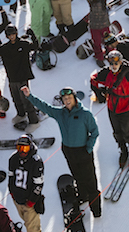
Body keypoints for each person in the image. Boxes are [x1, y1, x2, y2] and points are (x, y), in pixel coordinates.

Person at [23, 86, 101, 217]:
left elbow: (94, 132)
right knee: (76, 176)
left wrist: (88, 148)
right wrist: (29, 96)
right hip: (69, 151)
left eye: (69, 98)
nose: (67, 101)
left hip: (83, 151)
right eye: (65, 99)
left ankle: (96, 210)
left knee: (90, 180)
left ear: (75, 98)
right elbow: (44, 107)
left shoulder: (85, 114)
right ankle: (83, 196)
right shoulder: (60, 113)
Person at [90, 51, 129, 168]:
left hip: (125, 109)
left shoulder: (128, 74)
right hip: (111, 108)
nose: (114, 66)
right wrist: (99, 93)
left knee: (127, 132)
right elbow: (93, 79)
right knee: (117, 132)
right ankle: (123, 150)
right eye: (111, 63)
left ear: (121, 62)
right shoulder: (106, 73)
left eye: (116, 63)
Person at [7, 135, 46, 232]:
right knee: (26, 221)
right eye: (20, 148)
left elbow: (38, 184)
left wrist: (32, 200)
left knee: (32, 225)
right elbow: (11, 177)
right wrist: (12, 192)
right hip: (18, 198)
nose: (22, 151)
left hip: (29, 201)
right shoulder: (13, 159)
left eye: (25, 148)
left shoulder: (36, 161)